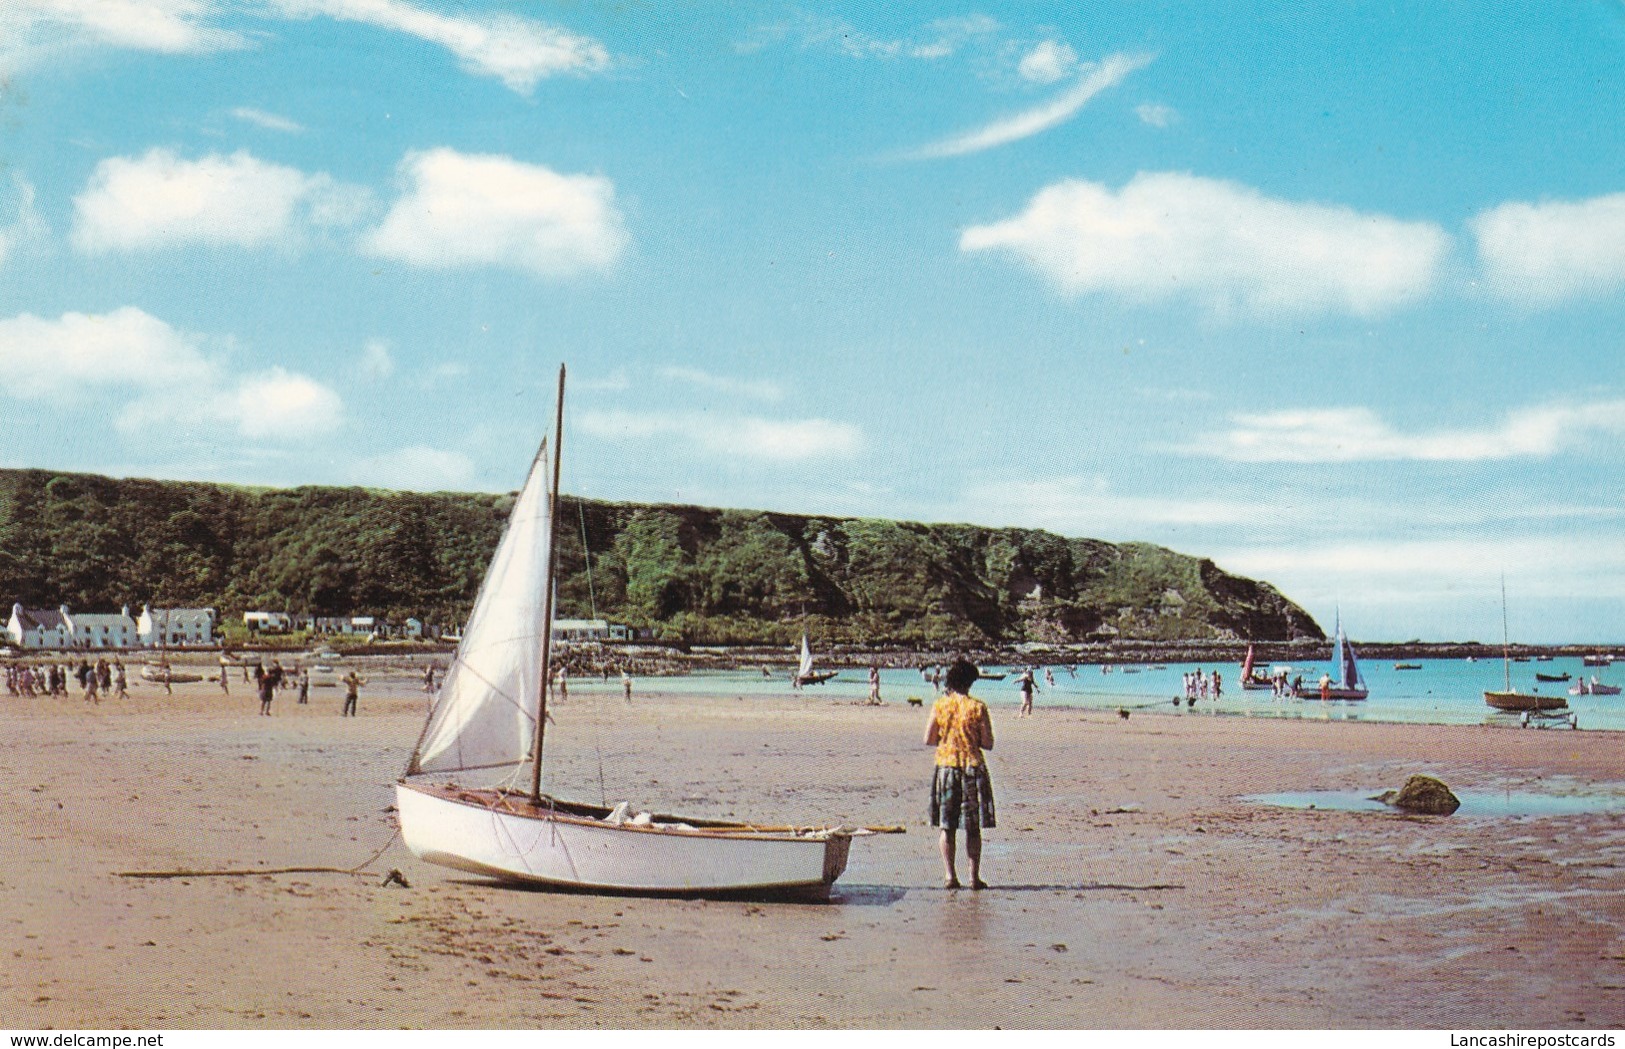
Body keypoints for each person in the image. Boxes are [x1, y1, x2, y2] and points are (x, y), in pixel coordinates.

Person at [925, 657, 995, 890]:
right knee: (972, 827)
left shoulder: (940, 706)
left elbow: (929, 738)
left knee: (948, 825)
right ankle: (974, 877)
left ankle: (950, 876)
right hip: (972, 768)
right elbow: (988, 743)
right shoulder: (978, 707)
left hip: (946, 767)